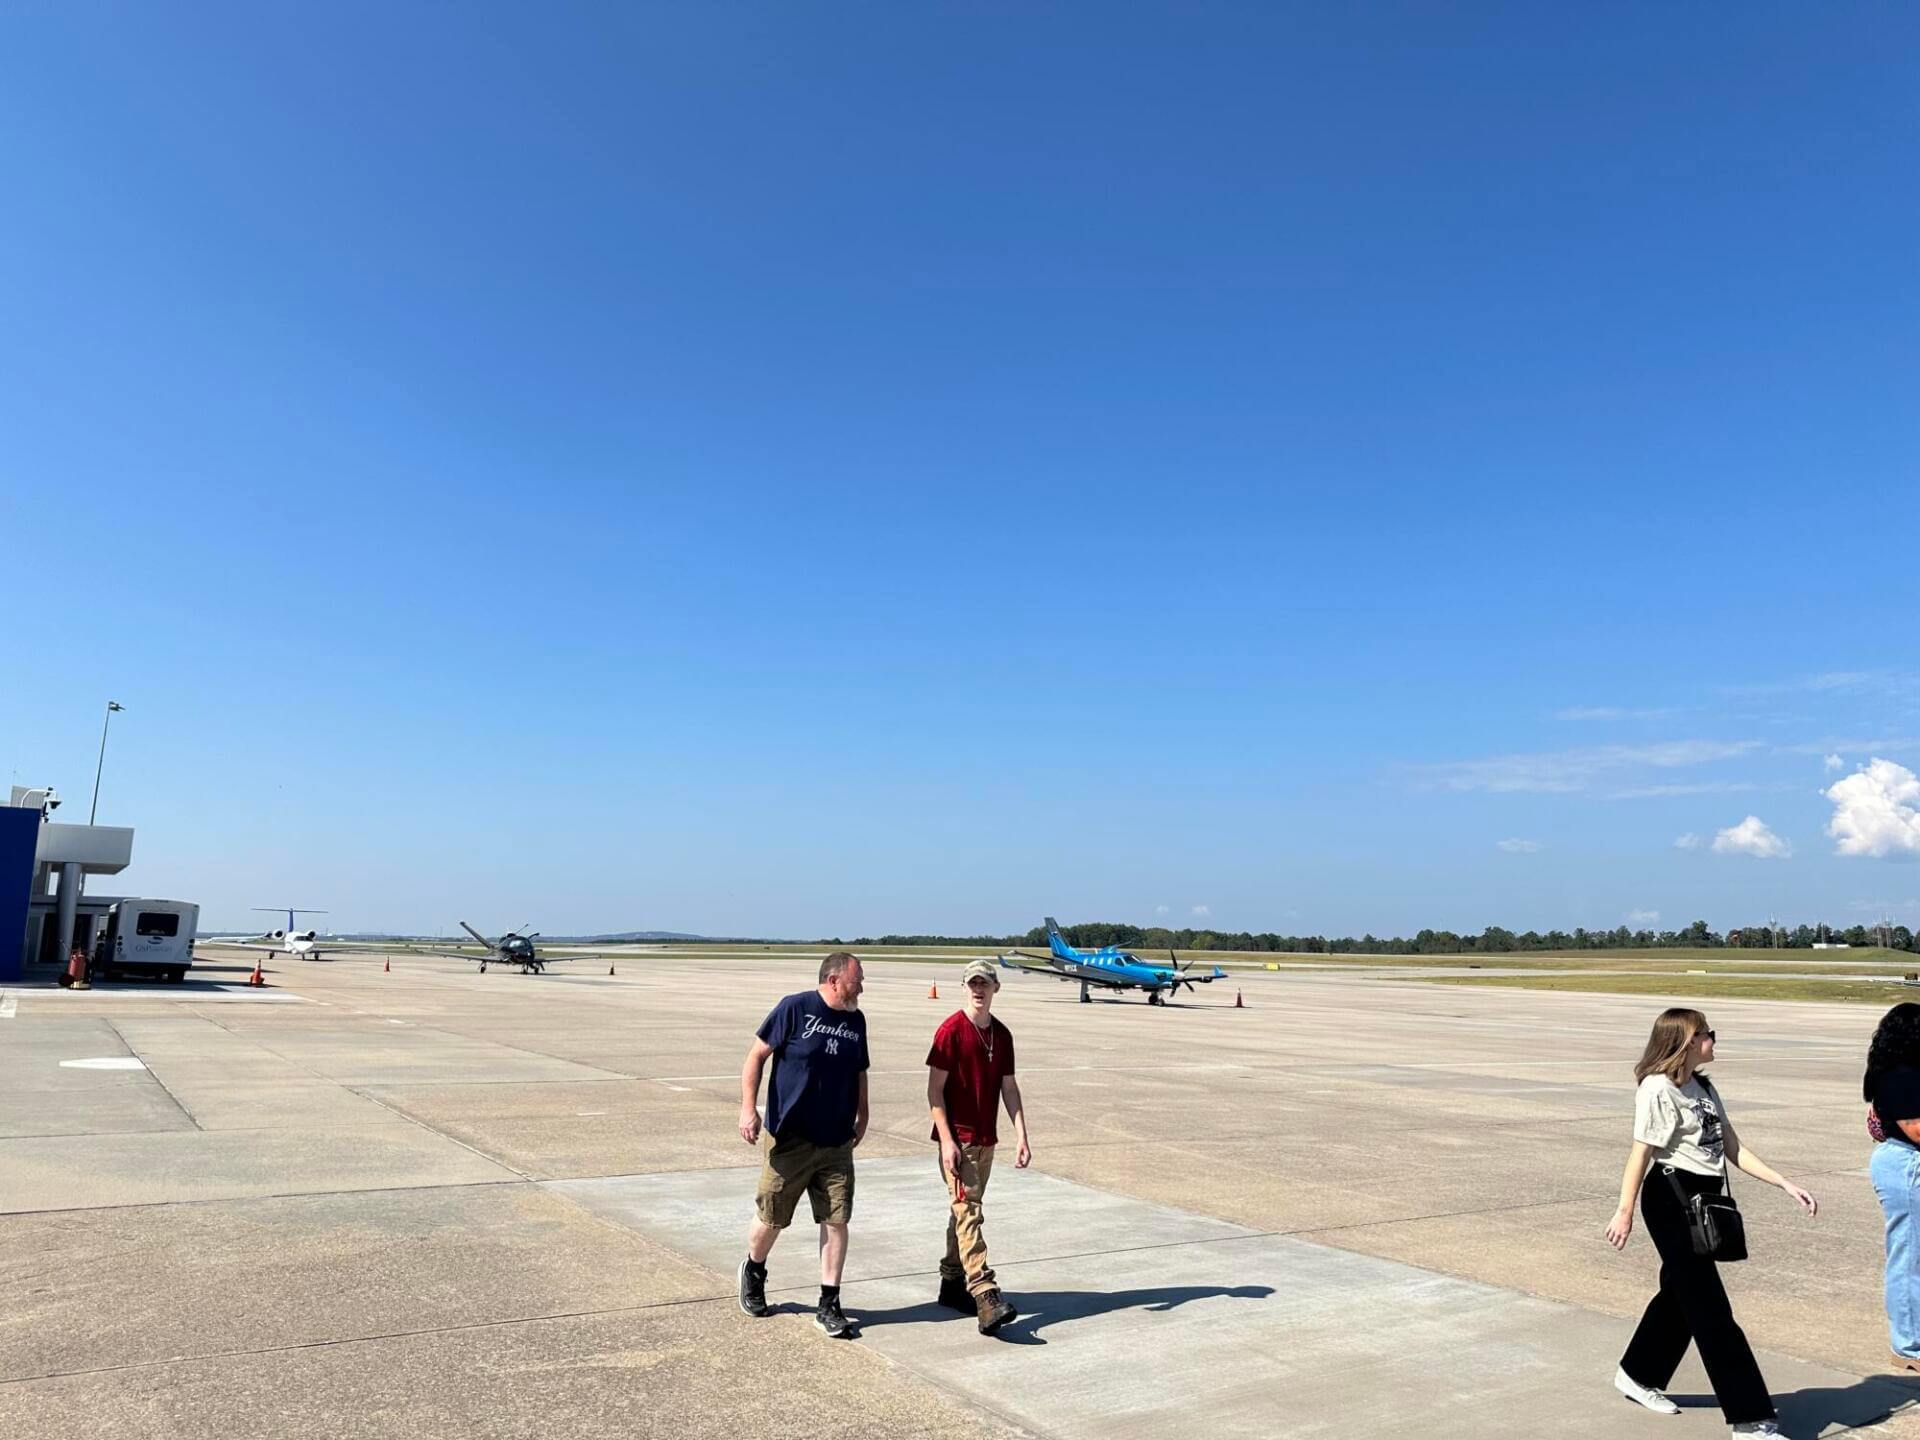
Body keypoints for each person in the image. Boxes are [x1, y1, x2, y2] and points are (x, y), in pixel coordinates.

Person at [1604, 1008, 1817, 1438]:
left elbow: (1733, 1147)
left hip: (1706, 1198)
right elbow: (1640, 1153)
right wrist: (1623, 1211)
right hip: (1671, 1200)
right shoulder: (1657, 1089)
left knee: (1680, 1295)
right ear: (1683, 1042)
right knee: (1711, 1310)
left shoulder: (1703, 1086)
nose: (1713, 1040)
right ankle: (1751, 1417)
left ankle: (1637, 1373)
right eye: (1706, 1034)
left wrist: (1784, 1183)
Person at [736, 952, 869, 1339]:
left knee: (837, 1219)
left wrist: (863, 1115)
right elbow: (755, 1056)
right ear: (833, 980)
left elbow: (860, 1071)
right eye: (857, 979)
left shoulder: (856, 1020)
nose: (861, 986)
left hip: (836, 1140)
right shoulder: (794, 1008)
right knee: (772, 1216)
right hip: (790, 1138)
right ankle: (754, 1268)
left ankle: (829, 1303)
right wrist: (748, 1109)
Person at [927, 957, 1030, 1335]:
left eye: (984, 983)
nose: (978, 990)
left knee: (963, 1211)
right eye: (972, 983)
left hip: (987, 1141)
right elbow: (934, 1092)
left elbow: (1009, 1087)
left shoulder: (1001, 1035)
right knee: (969, 1211)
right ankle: (984, 1293)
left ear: (995, 989)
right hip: (959, 1142)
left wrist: (1021, 1134)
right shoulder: (950, 1031)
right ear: (964, 987)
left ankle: (952, 1283)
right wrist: (948, 1142)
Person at [1863, 1002, 1920, 1372]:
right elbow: (1916, 1129)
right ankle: (1909, 1346)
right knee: (1910, 1255)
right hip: (1906, 1166)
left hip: (1904, 1159)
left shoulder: (1901, 1071)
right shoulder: (1900, 1075)